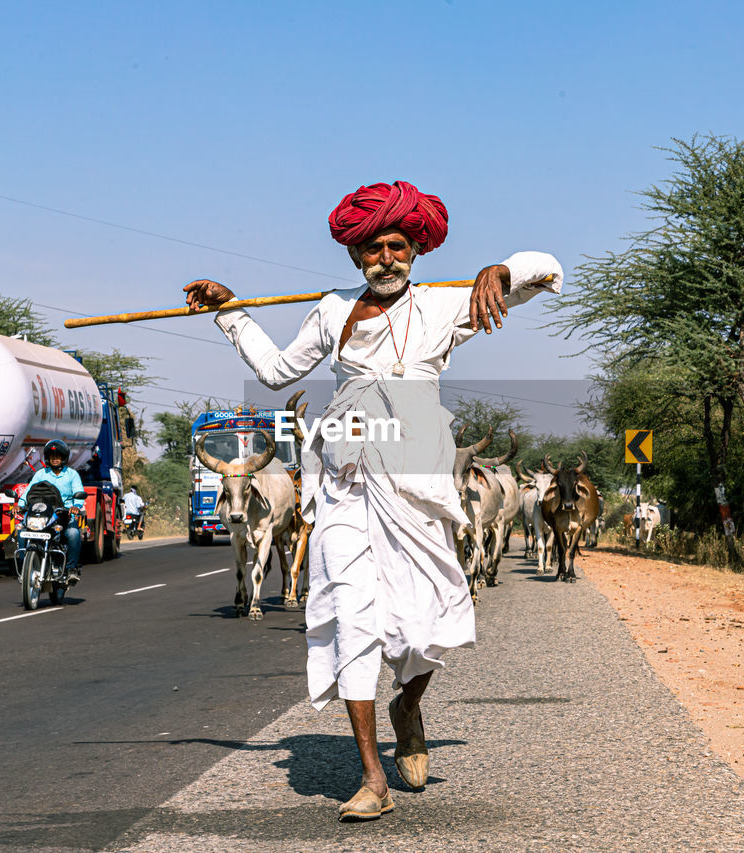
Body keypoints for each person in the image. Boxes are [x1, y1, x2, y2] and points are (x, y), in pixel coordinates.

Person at [184, 180, 562, 821]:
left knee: (425, 621)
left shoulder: (449, 306)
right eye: (373, 249)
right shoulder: (331, 310)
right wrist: (231, 312)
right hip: (344, 478)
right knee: (349, 612)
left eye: (397, 246)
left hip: (415, 480)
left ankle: (408, 705)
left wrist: (503, 269)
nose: (386, 257)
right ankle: (371, 778)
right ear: (356, 256)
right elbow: (278, 373)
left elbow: (548, 271)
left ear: (416, 249)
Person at [19, 438, 85, 583]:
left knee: (73, 533)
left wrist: (76, 506)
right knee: (21, 531)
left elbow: (79, 493)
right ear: (48, 458)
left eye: (58, 456)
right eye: (52, 456)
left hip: (64, 516)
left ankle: (71, 569)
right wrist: (20, 504)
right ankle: (25, 567)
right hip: (42, 515)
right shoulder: (41, 474)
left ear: (63, 457)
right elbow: (28, 492)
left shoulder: (72, 474)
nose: (55, 459)